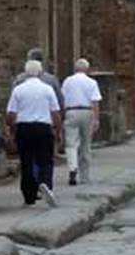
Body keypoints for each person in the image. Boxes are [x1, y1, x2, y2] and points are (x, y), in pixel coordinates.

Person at [6, 59, 62, 207]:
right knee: (46, 160)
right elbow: (55, 112)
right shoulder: (47, 89)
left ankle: (29, 196)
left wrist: (11, 130)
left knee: (27, 162)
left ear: (25, 73)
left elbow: (11, 114)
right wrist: (58, 130)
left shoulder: (19, 90)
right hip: (43, 127)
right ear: (40, 72)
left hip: (24, 128)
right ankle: (46, 185)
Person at [61, 58, 101, 186]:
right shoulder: (92, 82)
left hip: (71, 111)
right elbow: (95, 102)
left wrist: (63, 115)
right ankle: (84, 176)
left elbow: (62, 98)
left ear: (75, 69)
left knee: (71, 143)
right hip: (87, 111)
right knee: (85, 144)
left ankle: (73, 168)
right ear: (87, 69)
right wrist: (96, 119)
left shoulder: (67, 81)